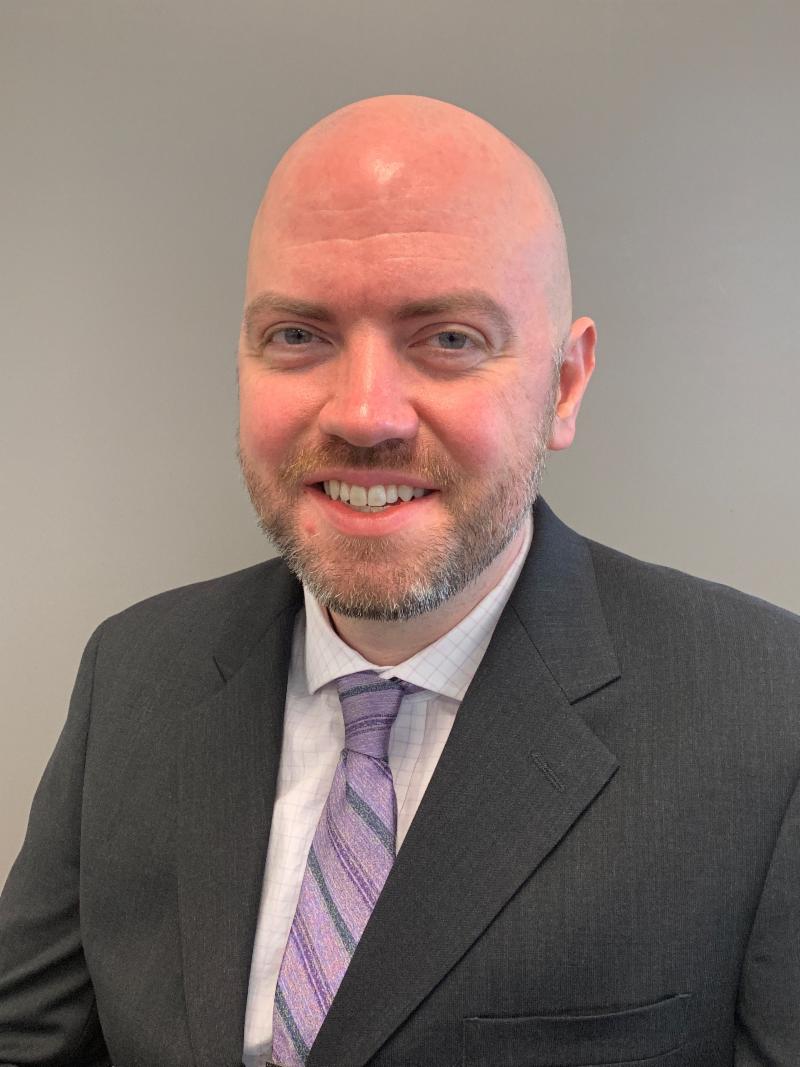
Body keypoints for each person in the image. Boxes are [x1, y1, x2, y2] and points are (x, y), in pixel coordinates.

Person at [0, 94, 798, 1067]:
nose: (364, 414)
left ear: (564, 384)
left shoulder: (768, 715)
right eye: (299, 335)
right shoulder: (134, 671)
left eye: (448, 338)